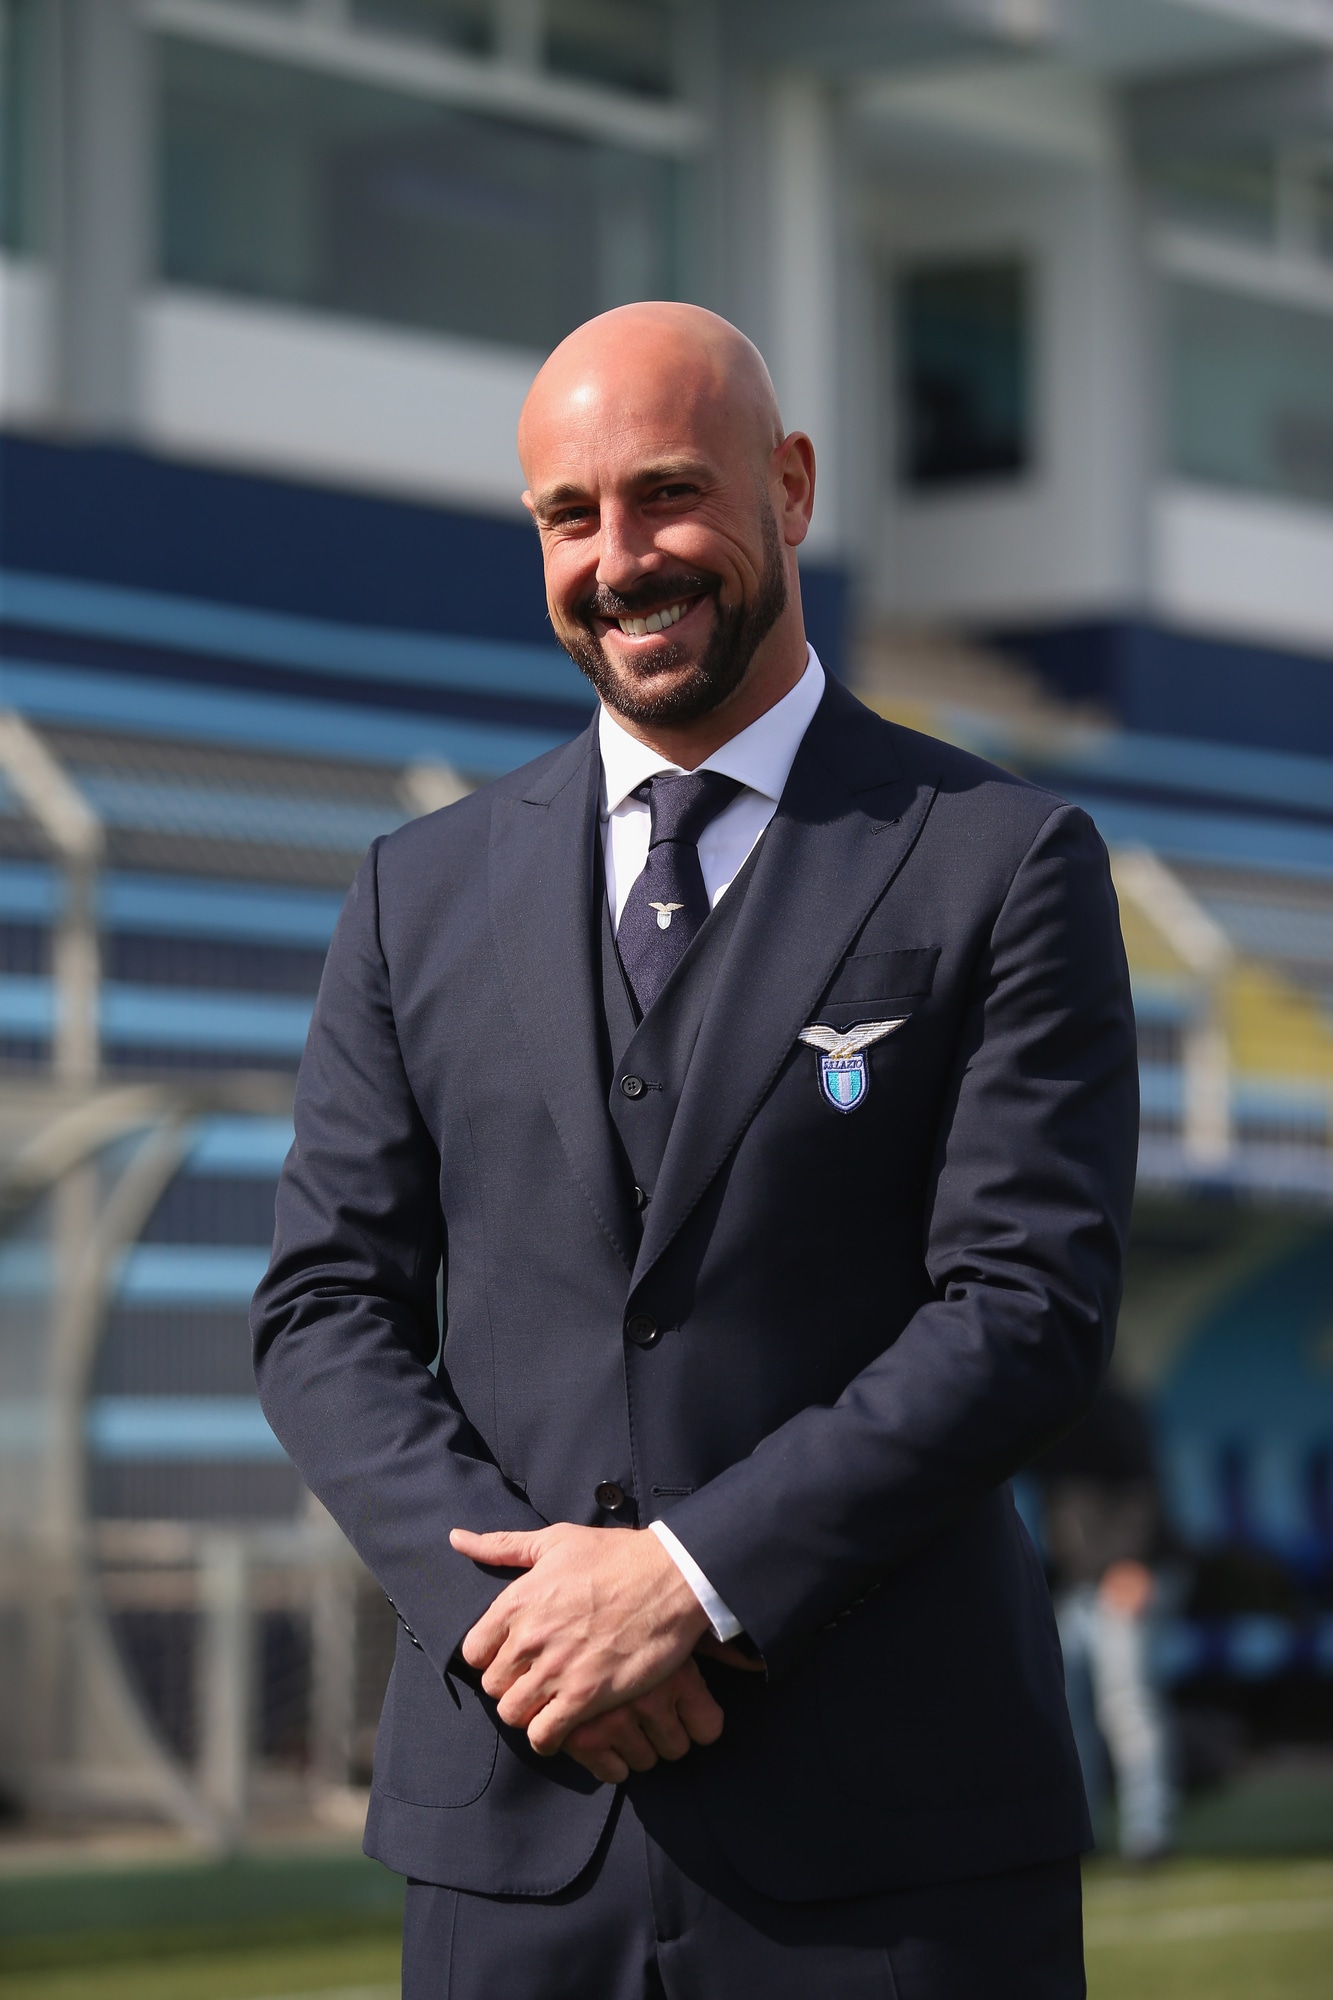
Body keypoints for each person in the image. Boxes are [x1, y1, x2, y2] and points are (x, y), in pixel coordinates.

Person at [252, 303, 1139, 1998]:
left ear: (789, 488)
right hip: (516, 1817)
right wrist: (522, 1624)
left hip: (896, 1846)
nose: (620, 558)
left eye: (666, 493)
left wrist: (688, 1581)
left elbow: (1025, 1306)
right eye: (568, 516)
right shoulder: (411, 893)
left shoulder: (1003, 861)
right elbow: (320, 1313)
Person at [1031, 1381, 1176, 1861]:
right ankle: (1082, 1832)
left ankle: (1149, 1834)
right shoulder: (1040, 1406)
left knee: (1126, 1701)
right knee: (1067, 1711)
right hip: (1077, 1582)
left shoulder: (1110, 1405)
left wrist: (1133, 1562)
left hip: (1127, 1572)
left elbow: (1144, 1489)